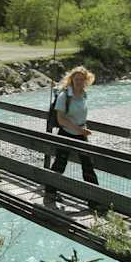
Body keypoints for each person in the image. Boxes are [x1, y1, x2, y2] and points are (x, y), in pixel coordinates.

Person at [46, 66, 99, 202]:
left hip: (81, 134)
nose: (79, 82)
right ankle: (50, 192)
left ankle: (95, 199)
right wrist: (80, 130)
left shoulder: (84, 94)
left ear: (86, 80)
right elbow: (61, 119)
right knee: (60, 164)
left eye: (82, 79)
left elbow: (81, 116)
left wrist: (83, 131)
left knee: (88, 165)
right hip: (66, 133)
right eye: (76, 79)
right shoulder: (64, 96)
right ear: (71, 79)